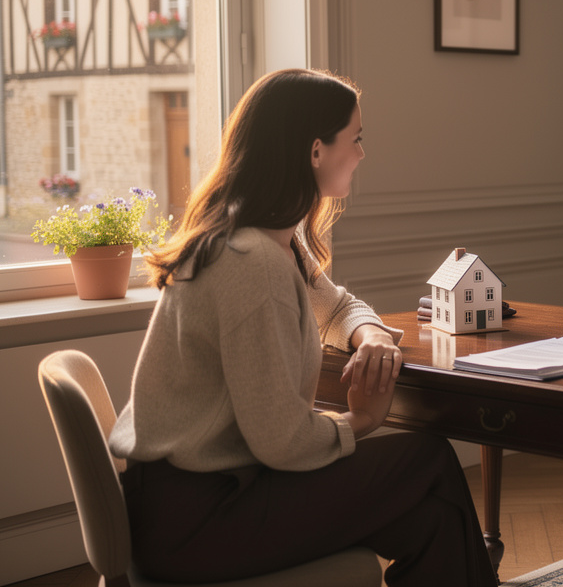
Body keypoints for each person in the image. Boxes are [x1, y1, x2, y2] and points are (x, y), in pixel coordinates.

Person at [109, 68, 496, 587]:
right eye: (355, 139)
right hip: (199, 520)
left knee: (431, 518)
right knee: (428, 458)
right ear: (316, 151)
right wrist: (362, 420)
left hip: (195, 501)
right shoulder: (252, 263)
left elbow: (335, 307)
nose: (362, 153)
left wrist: (372, 335)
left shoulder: (264, 239)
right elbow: (282, 442)